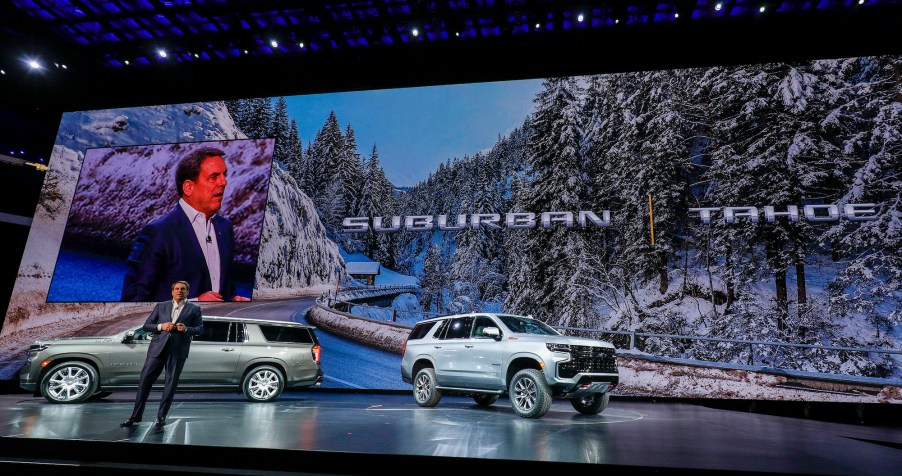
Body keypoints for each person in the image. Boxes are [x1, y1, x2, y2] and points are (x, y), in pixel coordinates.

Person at [121, 146, 251, 302]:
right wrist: (194, 304)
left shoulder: (225, 228)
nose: (224, 182)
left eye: (224, 175)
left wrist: (232, 301)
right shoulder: (158, 233)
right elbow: (132, 303)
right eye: (214, 176)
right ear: (189, 187)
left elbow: (225, 289)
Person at [121, 280, 203, 428]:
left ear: (187, 292)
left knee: (170, 385)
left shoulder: (194, 309)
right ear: (172, 292)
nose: (179, 291)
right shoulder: (161, 306)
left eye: (183, 289)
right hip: (157, 349)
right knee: (144, 382)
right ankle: (135, 416)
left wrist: (185, 329)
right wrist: (161, 326)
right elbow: (147, 325)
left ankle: (161, 417)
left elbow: (199, 329)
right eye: (176, 289)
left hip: (178, 351)